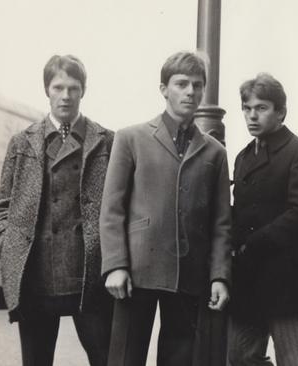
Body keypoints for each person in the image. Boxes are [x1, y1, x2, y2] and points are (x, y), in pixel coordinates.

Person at [99, 50, 232, 365]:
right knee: (125, 357)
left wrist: (219, 276)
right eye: (181, 84)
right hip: (136, 270)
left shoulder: (214, 152)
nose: (190, 92)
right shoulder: (131, 138)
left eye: (197, 85)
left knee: (180, 357)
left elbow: (221, 223)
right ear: (163, 89)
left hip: (189, 273)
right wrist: (115, 265)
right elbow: (112, 208)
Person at [0, 55, 114, 366]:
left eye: (73, 88)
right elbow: (3, 206)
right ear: (46, 90)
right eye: (58, 87)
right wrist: (8, 246)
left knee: (107, 359)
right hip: (36, 277)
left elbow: (119, 206)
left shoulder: (106, 141)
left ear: (83, 91)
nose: (66, 95)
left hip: (89, 277)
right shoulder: (23, 142)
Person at [227, 73, 298, 366]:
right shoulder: (243, 157)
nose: (252, 115)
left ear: (281, 111)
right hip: (248, 274)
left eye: (261, 108)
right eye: (246, 108)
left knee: (293, 357)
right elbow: (241, 210)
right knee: (239, 356)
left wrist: (252, 243)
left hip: (284, 273)